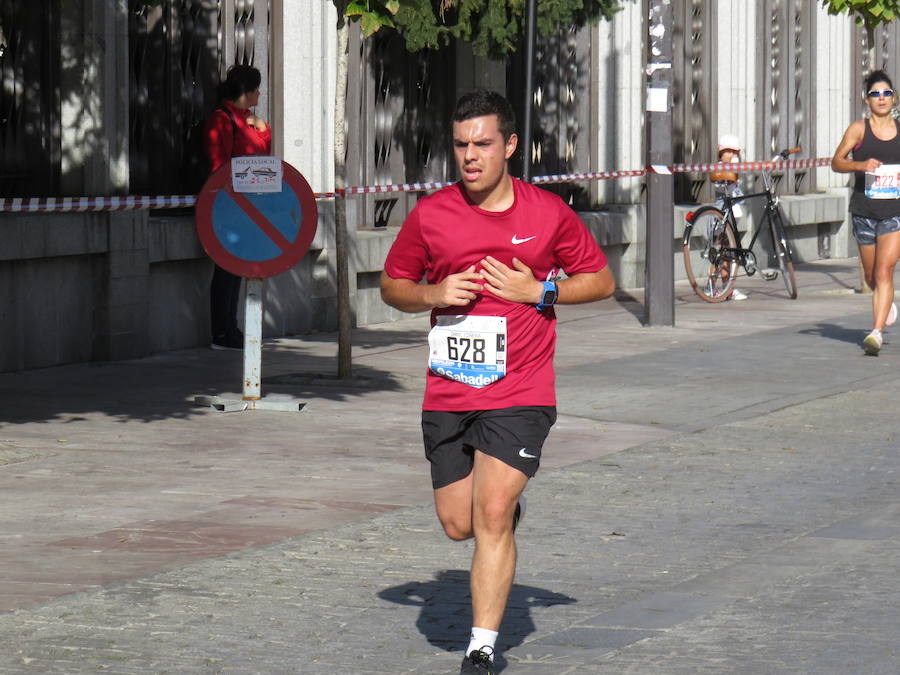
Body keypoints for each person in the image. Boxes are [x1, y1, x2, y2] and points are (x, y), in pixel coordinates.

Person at [380, 90, 615, 674]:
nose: (470, 156)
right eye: (461, 145)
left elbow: (601, 279)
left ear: (509, 145)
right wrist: (432, 294)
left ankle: (481, 649)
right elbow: (392, 285)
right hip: (451, 388)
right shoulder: (431, 216)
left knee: (489, 512)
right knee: (459, 524)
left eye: (482, 143)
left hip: (522, 390)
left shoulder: (547, 214)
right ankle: (503, 511)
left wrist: (540, 291)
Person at [203, 64, 272, 350]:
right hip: (229, 204)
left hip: (248, 204)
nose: (259, 93)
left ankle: (232, 327)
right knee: (225, 268)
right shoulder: (223, 119)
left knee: (237, 268)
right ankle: (221, 331)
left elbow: (262, 154)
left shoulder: (246, 120)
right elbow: (219, 164)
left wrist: (263, 129)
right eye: (256, 88)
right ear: (246, 91)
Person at [832, 69, 900, 355]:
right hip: (864, 210)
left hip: (894, 212)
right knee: (872, 276)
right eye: (875, 94)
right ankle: (885, 303)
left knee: (885, 271)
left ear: (894, 98)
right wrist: (860, 165)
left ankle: (876, 332)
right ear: (867, 100)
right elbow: (837, 162)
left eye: (886, 93)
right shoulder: (858, 130)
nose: (881, 98)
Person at [711, 133, 749, 300]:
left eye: (735, 153)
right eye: (728, 152)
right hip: (722, 214)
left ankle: (728, 287)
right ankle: (712, 286)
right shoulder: (719, 168)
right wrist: (731, 168)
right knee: (718, 252)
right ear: (721, 153)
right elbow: (719, 181)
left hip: (733, 214)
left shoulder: (735, 168)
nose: (732, 156)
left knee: (729, 253)